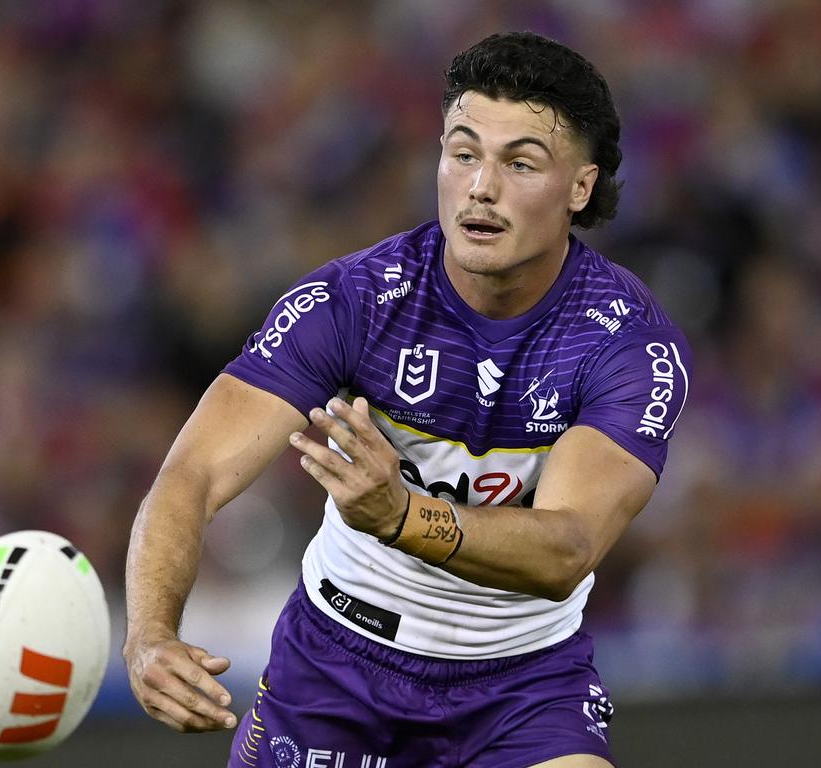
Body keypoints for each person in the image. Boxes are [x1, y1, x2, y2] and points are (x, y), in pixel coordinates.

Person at [124, 30, 691, 768]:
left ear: (580, 188)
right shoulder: (354, 300)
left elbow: (567, 549)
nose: (481, 186)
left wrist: (402, 515)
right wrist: (148, 636)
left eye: (520, 163)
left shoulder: (628, 345)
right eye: (463, 153)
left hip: (522, 686)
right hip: (338, 663)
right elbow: (190, 475)